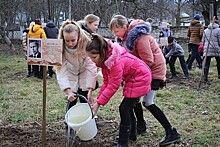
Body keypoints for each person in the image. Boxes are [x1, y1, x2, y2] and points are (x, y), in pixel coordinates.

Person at [109, 15, 181, 147]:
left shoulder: (140, 38)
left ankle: (172, 132)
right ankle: (137, 129)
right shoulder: (128, 39)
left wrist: (131, 74)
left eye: (116, 31)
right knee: (133, 100)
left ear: (124, 27)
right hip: (143, 72)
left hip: (153, 73)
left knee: (147, 102)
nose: (115, 34)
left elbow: (148, 61)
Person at [86, 33, 152, 147]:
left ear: (102, 52)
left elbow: (113, 85)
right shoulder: (106, 61)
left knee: (124, 108)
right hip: (133, 78)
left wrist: (98, 104)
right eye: (90, 58)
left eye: (94, 57)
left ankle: (123, 142)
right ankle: (131, 135)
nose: (92, 61)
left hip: (140, 78)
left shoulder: (116, 61)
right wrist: (98, 101)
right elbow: (106, 82)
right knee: (128, 108)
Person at [56, 20, 97, 110]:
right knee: (72, 100)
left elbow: (91, 67)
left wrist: (90, 89)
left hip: (84, 71)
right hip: (70, 72)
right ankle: (69, 121)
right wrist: (68, 91)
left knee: (85, 98)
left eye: (73, 40)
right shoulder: (60, 48)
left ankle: (88, 118)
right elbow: (61, 71)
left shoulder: (86, 44)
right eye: (67, 41)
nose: (70, 43)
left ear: (79, 36)